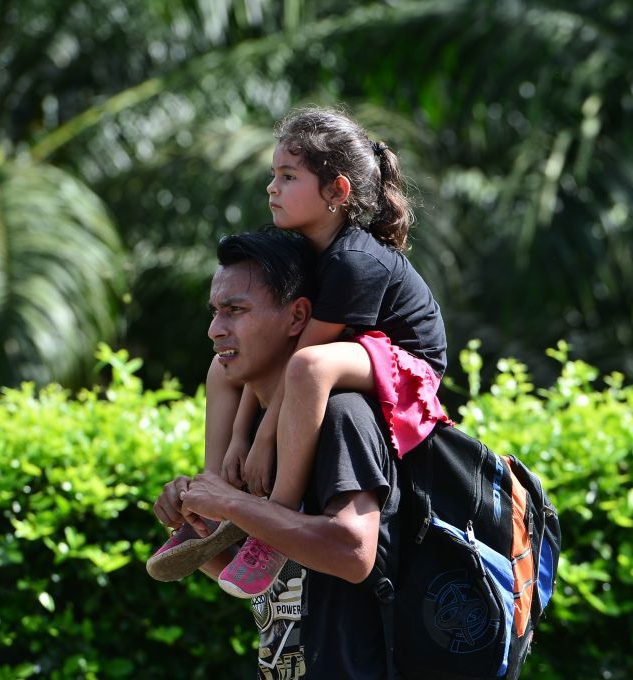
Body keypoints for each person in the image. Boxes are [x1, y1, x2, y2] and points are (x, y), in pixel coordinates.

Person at [202, 106, 452, 599]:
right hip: (356, 353)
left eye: (288, 176)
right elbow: (279, 358)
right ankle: (209, 504)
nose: (272, 187)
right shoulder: (305, 253)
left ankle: (278, 516)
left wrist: (263, 441)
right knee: (223, 365)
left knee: (310, 365)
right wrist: (236, 440)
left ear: (337, 191)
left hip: (408, 363)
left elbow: (307, 357)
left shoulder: (355, 259)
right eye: (273, 175)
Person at [154, 229, 400, 678]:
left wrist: (232, 502)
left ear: (297, 316)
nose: (215, 329)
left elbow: (352, 552)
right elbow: (260, 580)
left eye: (236, 311)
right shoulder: (244, 437)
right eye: (215, 312)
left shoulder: (340, 417)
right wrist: (194, 520)